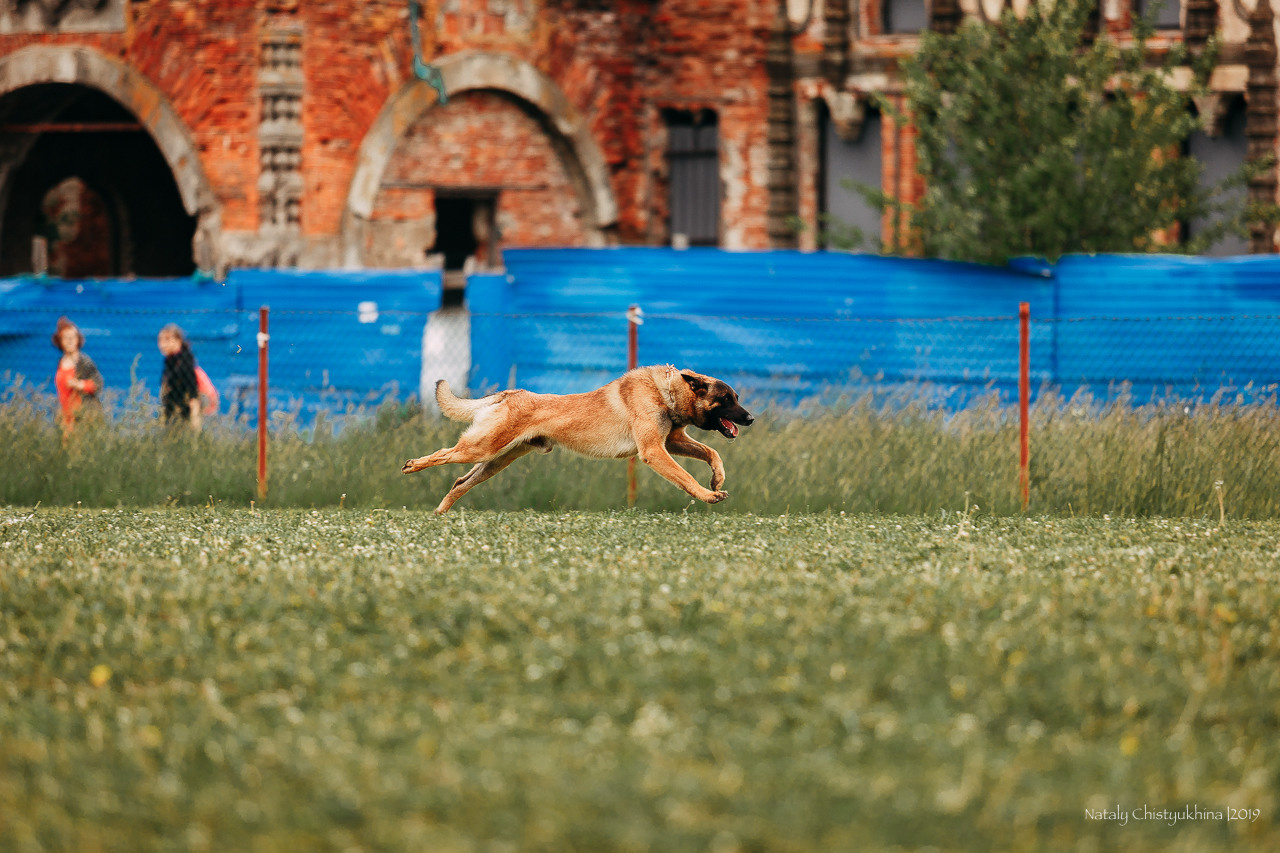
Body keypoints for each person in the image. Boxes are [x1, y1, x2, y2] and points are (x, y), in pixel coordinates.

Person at [52, 316, 104, 431]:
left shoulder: (84, 361)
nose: (70, 340)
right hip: (66, 419)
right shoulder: (61, 362)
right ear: (60, 341)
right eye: (66, 337)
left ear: (78, 339)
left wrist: (81, 385)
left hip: (84, 417)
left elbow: (98, 383)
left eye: (73, 337)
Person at [157, 323, 203, 431]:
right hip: (173, 413)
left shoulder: (184, 362)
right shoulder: (170, 362)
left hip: (185, 414)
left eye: (167, 339)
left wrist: (195, 421)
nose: (162, 344)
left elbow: (193, 393)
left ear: (178, 340)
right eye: (160, 340)